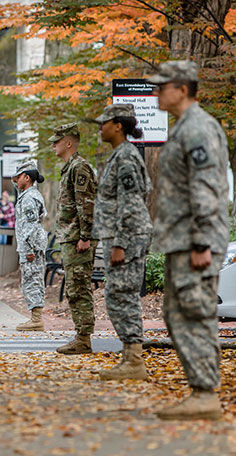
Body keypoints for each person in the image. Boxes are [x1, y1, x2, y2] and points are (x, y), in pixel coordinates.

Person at [149, 61, 229, 420]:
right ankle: (199, 389)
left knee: (195, 313)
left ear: (182, 89)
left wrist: (200, 243)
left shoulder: (198, 128)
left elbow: (206, 187)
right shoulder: (184, 128)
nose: (156, 92)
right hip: (183, 240)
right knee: (177, 313)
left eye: (162, 86)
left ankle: (205, 393)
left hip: (196, 242)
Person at [92, 104, 153, 381]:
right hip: (122, 236)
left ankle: (134, 360)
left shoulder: (126, 157)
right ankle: (130, 356)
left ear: (118, 125)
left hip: (126, 238)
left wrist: (120, 243)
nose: (100, 128)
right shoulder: (120, 155)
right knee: (118, 295)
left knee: (122, 296)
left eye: (104, 123)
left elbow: (131, 203)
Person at [50, 122, 99, 355]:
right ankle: (80, 335)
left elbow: (86, 204)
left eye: (56, 141)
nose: (52, 145)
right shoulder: (70, 168)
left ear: (68, 142)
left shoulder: (79, 168)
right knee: (73, 287)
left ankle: (83, 338)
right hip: (71, 237)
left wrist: (85, 236)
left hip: (78, 239)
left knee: (78, 288)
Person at [12, 161, 48, 332]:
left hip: (31, 247)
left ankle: (36, 319)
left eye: (18, 177)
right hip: (30, 246)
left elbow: (30, 226)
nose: (16, 181)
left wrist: (29, 249)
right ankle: (35, 317)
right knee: (30, 279)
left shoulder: (29, 199)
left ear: (27, 177)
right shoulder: (27, 195)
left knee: (32, 280)